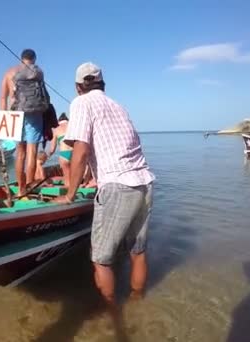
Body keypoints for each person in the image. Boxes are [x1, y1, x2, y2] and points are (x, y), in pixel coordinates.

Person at [53, 62, 155, 308]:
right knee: (137, 252)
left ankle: (112, 314)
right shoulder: (118, 106)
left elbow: (81, 150)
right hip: (145, 182)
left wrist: (69, 195)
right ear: (102, 83)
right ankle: (137, 303)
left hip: (118, 185)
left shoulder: (81, 103)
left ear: (79, 87)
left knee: (101, 260)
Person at [0, 48, 50, 196]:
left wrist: (4, 117)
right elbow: (44, 94)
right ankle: (29, 187)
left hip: (15, 114)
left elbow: (3, 98)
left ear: (21, 58)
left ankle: (21, 188)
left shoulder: (10, 72)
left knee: (20, 153)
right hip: (34, 114)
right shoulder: (38, 72)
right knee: (32, 152)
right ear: (34, 58)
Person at [46, 113, 72, 186]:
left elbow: (52, 149)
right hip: (75, 153)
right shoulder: (73, 126)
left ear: (58, 122)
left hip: (64, 154)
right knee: (75, 177)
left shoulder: (57, 130)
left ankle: (68, 194)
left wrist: (48, 156)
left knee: (67, 179)